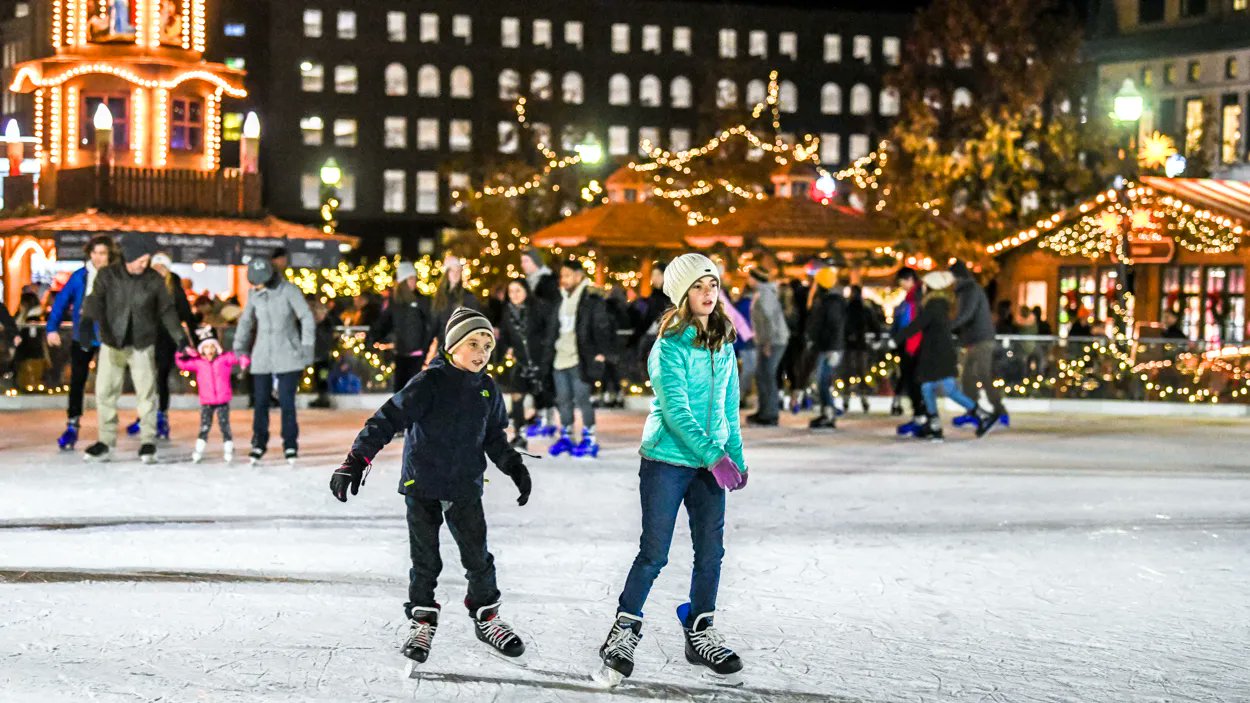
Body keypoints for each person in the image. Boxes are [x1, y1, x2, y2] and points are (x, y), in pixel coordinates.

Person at [329, 307, 532, 671]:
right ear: (453, 345)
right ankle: (421, 621)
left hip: (465, 484)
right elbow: (386, 420)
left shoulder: (487, 389)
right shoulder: (429, 383)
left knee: (477, 557)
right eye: (473, 343)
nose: (482, 352)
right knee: (426, 561)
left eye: (487, 345)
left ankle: (487, 618)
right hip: (421, 483)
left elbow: (493, 437)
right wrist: (356, 460)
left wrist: (513, 465)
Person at [597, 252, 747, 688]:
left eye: (713, 286)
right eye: (698, 287)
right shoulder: (669, 345)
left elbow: (729, 408)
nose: (707, 294)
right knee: (654, 552)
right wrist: (712, 455)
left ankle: (699, 629)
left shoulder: (723, 341)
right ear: (682, 294)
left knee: (711, 551)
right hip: (666, 460)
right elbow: (677, 412)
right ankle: (623, 630)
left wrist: (734, 453)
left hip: (710, 463)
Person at [80, 235, 187, 463]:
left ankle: (148, 441)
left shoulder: (154, 280)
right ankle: (105, 441)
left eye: (147, 260)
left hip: (142, 343)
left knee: (146, 392)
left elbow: (167, 311)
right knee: (105, 392)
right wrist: (87, 323)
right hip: (112, 342)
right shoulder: (108, 275)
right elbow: (95, 300)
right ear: (130, 257)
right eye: (142, 260)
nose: (144, 264)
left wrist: (180, 337)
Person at [893, 271, 999, 441]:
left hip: (937, 355)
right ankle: (978, 416)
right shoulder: (941, 304)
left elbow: (917, 325)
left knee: (939, 388)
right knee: (931, 387)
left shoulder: (934, 305)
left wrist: (895, 340)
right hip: (938, 353)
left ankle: (972, 417)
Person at [233, 257, 315, 464]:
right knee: (260, 403)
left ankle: (290, 444)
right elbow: (245, 322)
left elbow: (306, 317)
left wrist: (306, 347)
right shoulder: (254, 295)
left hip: (288, 354)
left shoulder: (289, 291)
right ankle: (258, 443)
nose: (255, 285)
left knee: (287, 402)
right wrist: (239, 349)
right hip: (262, 356)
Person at [46, 235, 115, 450]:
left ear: (109, 255)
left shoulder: (116, 277)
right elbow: (60, 301)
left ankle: (108, 428)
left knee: (108, 384)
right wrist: (51, 328)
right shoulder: (80, 277)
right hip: (82, 336)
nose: (98, 257)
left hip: (108, 338)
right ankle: (72, 424)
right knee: (77, 381)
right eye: (95, 253)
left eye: (102, 253)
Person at [548, 259, 615, 457]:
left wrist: (602, 351)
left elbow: (602, 326)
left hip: (581, 357)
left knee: (582, 398)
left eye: (568, 275)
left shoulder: (591, 298)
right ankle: (567, 436)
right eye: (562, 276)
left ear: (579, 276)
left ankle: (589, 437)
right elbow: (554, 329)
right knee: (563, 400)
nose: (564, 280)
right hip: (560, 357)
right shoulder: (560, 299)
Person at [125, 252, 194, 441]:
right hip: (145, 339)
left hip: (167, 341)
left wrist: (190, 340)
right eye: (155, 268)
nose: (158, 271)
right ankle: (144, 416)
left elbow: (187, 315)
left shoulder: (174, 289)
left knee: (161, 379)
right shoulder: (141, 285)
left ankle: (161, 416)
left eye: (162, 268)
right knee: (144, 379)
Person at [498, 278, 557, 450]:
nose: (515, 295)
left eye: (518, 291)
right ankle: (520, 434)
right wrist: (507, 348)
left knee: (545, 396)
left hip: (540, 361)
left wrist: (547, 352)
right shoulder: (507, 313)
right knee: (517, 396)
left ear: (526, 291)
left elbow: (549, 331)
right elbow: (505, 335)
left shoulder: (538, 308)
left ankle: (551, 424)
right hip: (521, 362)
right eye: (511, 292)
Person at [950, 261, 1009, 429]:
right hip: (974, 339)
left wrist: (948, 326)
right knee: (968, 377)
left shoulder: (970, 290)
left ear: (957, 277)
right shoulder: (965, 291)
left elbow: (966, 314)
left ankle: (1000, 412)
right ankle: (973, 411)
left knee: (983, 375)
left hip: (981, 340)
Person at [176, 325, 247, 463]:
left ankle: (228, 448)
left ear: (217, 348)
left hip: (222, 400)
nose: (209, 351)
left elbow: (237, 357)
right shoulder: (198, 363)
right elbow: (182, 364)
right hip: (207, 401)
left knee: (224, 426)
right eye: (206, 347)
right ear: (202, 349)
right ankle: (199, 450)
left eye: (212, 347)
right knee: (205, 426)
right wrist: (181, 353)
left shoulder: (224, 359)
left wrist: (244, 359)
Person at [369, 262, 434, 392]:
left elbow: (430, 326)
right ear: (403, 281)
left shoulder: (422, 300)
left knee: (414, 391)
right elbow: (384, 323)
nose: (414, 281)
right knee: (400, 390)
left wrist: (425, 349)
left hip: (417, 354)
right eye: (410, 278)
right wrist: (373, 337)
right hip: (401, 353)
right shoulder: (395, 302)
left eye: (414, 278)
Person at [745, 266, 789, 427]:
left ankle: (770, 414)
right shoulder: (761, 294)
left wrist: (768, 342)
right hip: (766, 341)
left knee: (767, 375)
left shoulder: (765, 295)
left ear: (756, 278)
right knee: (762, 375)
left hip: (774, 341)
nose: (748, 281)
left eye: (750, 277)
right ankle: (764, 411)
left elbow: (770, 320)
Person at [806, 266, 846, 429]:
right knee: (821, 380)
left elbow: (835, 325)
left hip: (830, 348)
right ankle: (826, 412)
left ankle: (828, 414)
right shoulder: (828, 300)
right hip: (826, 346)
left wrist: (834, 349)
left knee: (823, 381)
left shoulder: (832, 302)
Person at [890, 268, 928, 436]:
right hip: (911, 346)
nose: (902, 287)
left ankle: (922, 417)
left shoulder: (916, 298)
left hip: (914, 347)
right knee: (912, 383)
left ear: (910, 279)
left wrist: (903, 343)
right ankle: (920, 416)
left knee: (915, 383)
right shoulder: (912, 297)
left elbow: (912, 326)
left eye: (903, 283)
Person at [428, 254, 480, 356]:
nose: (456, 274)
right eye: (452, 270)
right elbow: (434, 325)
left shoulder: (468, 296)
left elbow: (475, 324)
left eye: (458, 271)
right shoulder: (439, 297)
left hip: (462, 349)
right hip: (443, 349)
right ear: (446, 273)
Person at [842, 284, 880, 414]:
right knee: (862, 372)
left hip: (849, 345)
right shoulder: (865, 308)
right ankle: (863, 399)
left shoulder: (847, 308)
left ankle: (846, 399)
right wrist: (876, 337)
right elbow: (874, 324)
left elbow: (843, 325)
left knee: (848, 372)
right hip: (861, 344)